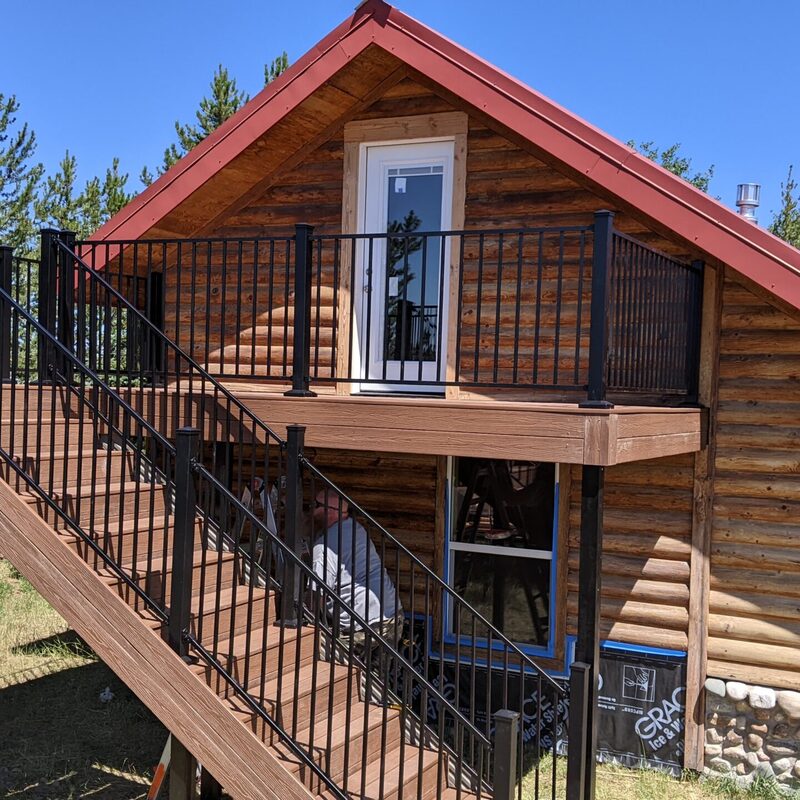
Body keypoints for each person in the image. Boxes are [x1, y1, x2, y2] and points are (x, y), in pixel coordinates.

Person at [311, 488, 403, 665]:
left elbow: (316, 594)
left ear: (329, 511)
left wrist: (305, 628)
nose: (311, 509)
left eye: (315, 505)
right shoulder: (355, 528)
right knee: (375, 682)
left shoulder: (324, 548)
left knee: (332, 667)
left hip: (363, 626)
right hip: (392, 615)